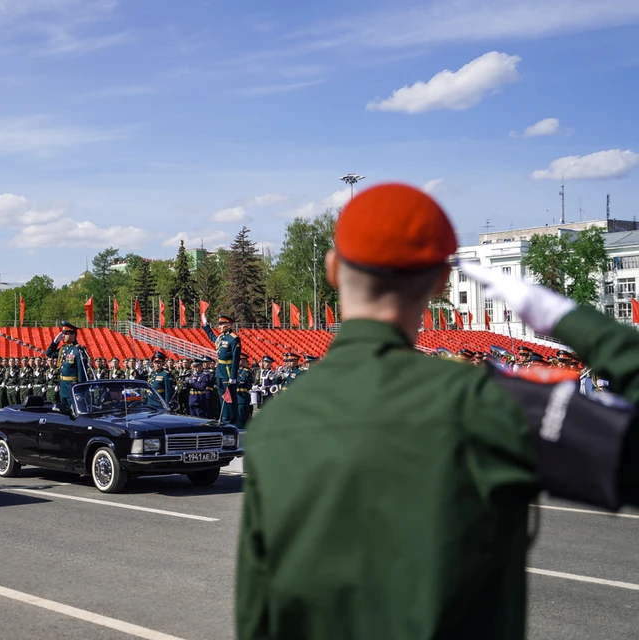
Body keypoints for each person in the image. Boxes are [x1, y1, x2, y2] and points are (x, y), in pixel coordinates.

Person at [235, 183, 639, 640]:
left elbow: (256, 618)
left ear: (332, 269)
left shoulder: (272, 426)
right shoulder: (492, 403)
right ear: (442, 282)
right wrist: (568, 319)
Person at [202, 315, 241, 424]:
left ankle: (231, 421)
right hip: (220, 372)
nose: (219, 326)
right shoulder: (222, 337)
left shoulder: (234, 338)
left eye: (221, 324)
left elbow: (236, 358)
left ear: (228, 325)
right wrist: (206, 326)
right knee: (222, 398)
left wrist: (233, 376)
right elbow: (212, 338)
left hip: (228, 373)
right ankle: (224, 419)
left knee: (229, 399)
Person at [46, 321, 89, 408]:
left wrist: (80, 390)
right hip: (63, 388)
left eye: (66, 333)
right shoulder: (64, 349)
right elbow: (49, 353)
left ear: (73, 335)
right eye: (63, 333)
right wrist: (55, 341)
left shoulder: (78, 350)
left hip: (73, 388)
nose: (63, 336)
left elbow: (81, 373)